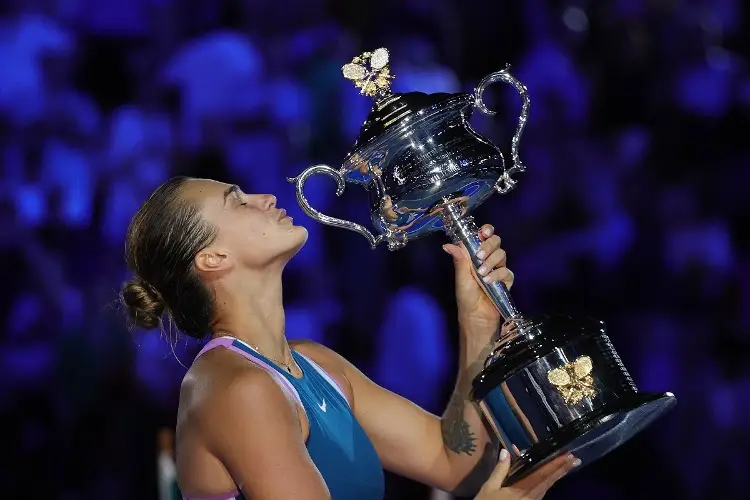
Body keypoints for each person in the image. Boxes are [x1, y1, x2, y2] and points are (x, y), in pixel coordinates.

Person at [120, 176, 580, 500]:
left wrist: (477, 325)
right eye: (237, 200)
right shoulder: (234, 390)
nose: (264, 197)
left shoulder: (316, 364)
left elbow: (453, 463)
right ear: (213, 257)